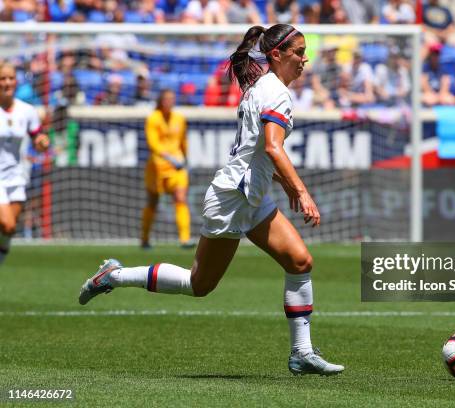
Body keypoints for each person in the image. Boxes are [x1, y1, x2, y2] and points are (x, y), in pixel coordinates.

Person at [78, 24, 344, 377]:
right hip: (233, 199)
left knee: (299, 261)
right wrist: (300, 190)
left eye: (305, 52)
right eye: (298, 52)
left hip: (251, 195)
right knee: (198, 284)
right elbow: (272, 148)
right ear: (276, 55)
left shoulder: (261, 87)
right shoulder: (275, 93)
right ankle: (115, 275)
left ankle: (302, 353)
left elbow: (258, 154)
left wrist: (282, 184)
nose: (304, 59)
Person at [0, 62, 49, 264]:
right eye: (2, 78)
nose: (7, 82)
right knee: (7, 222)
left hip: (16, 176)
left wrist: (42, 142)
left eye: (11, 78)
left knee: (9, 230)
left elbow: (37, 136)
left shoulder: (27, 110)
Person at [141, 89, 193, 249]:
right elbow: (153, 144)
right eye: (167, 99)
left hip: (177, 168)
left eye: (172, 99)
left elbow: (183, 141)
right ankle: (144, 238)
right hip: (157, 167)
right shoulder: (153, 118)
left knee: (180, 198)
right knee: (153, 202)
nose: (170, 102)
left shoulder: (179, 118)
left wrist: (185, 159)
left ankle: (185, 239)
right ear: (160, 100)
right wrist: (169, 158)